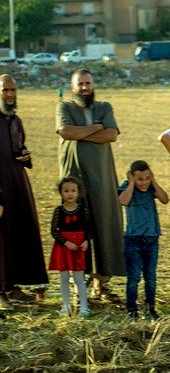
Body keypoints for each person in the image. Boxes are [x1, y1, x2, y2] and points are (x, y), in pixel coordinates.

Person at [56, 69, 125, 302]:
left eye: (88, 83)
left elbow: (112, 135)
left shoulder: (104, 107)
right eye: (80, 84)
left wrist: (80, 134)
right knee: (75, 228)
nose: (85, 88)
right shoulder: (65, 107)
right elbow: (65, 131)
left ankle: (101, 283)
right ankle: (78, 287)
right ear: (72, 86)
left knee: (104, 225)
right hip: (75, 179)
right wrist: (96, 128)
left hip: (102, 178)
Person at [0, 74, 48, 311]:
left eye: (13, 90)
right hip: (0, 187)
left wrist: (26, 156)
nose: (10, 94)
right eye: (5, 90)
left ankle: (13, 286)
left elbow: (20, 147)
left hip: (18, 183)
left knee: (17, 233)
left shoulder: (15, 120)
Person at [118, 160, 169, 321]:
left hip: (152, 238)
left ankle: (150, 308)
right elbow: (123, 201)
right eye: (140, 179)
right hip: (133, 239)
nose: (144, 182)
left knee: (151, 277)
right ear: (132, 177)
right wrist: (132, 183)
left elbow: (165, 199)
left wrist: (153, 181)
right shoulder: (127, 186)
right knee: (133, 277)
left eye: (147, 178)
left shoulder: (151, 187)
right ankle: (131, 309)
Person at [48, 176, 93, 317]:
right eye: (66, 191)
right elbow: (53, 230)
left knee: (79, 278)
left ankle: (84, 307)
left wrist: (86, 241)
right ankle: (65, 306)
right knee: (64, 277)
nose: (70, 194)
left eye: (73, 190)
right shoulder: (59, 211)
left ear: (78, 192)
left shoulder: (82, 210)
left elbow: (89, 229)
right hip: (63, 247)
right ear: (61, 193)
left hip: (79, 247)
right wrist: (66, 242)